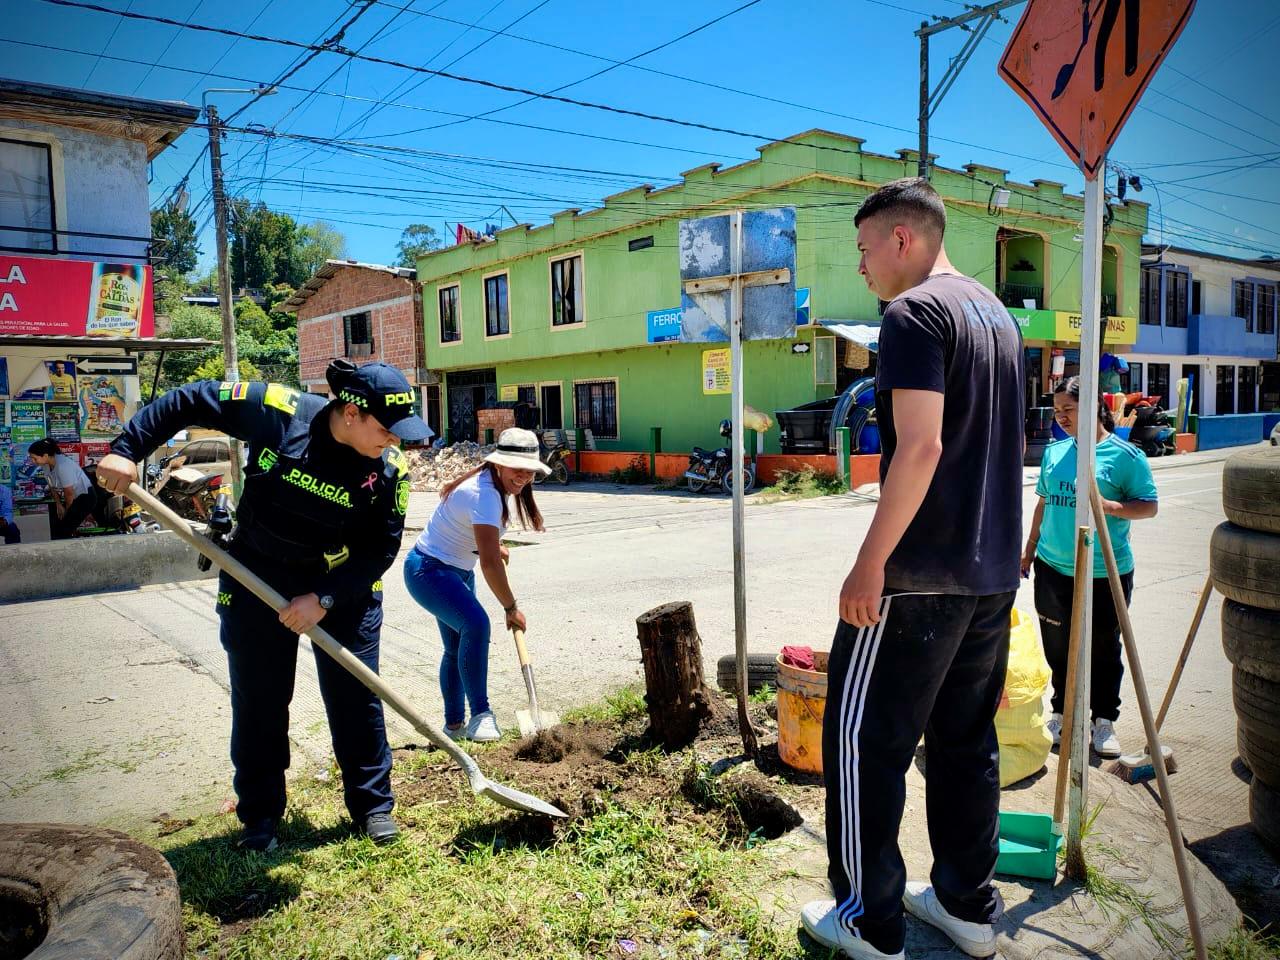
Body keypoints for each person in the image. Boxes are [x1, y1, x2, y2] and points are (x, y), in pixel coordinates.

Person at [801, 178, 1024, 960]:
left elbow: (922, 446)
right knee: (966, 742)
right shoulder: (994, 314)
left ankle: (870, 921)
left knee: (865, 741)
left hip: (917, 579)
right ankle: (968, 905)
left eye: (865, 249)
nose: (861, 267)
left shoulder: (912, 314)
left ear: (904, 239)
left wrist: (870, 564)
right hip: (992, 574)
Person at [95, 360, 432, 852]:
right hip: (256, 575)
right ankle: (260, 819)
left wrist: (323, 598)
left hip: (340, 584)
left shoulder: (388, 470)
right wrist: (126, 451)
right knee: (260, 703)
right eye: (386, 429)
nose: (394, 441)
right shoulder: (278, 413)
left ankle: (373, 807)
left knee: (357, 698)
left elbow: (379, 551)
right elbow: (190, 399)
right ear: (352, 413)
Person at [1021, 376, 1158, 759]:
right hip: (1053, 566)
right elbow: (1044, 503)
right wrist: (1029, 549)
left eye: (1069, 409)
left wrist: (1111, 507)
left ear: (1094, 406)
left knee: (1103, 646)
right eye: (1058, 409)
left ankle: (1103, 720)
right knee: (1058, 645)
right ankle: (1063, 712)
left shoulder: (1125, 457)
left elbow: (1148, 506)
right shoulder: (1056, 453)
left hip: (1104, 569)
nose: (1062, 416)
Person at [403, 428, 547, 742]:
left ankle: (453, 726)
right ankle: (481, 714)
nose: (523, 476)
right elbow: (490, 564)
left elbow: (478, 539)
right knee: (477, 625)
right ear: (498, 464)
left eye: (529, 471)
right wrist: (511, 607)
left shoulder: (493, 487)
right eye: (516, 468)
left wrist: (494, 546)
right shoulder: (484, 495)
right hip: (429, 572)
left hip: (453, 570)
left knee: (455, 649)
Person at [28, 438, 97, 539]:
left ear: (46, 455)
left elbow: (69, 493)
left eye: (34, 458)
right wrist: (58, 505)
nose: (33, 461)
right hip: (71, 497)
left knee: (64, 529)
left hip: (85, 497)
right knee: (58, 526)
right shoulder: (45, 465)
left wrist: (68, 513)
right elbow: (51, 486)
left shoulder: (63, 465)